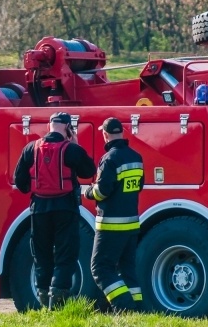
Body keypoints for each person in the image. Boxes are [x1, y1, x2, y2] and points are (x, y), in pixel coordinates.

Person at [14, 112, 96, 309]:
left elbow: (20, 181)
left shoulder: (30, 149)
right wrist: (76, 143)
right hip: (65, 208)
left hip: (39, 209)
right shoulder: (71, 150)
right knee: (65, 254)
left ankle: (43, 298)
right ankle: (57, 302)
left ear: (49, 125)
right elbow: (89, 171)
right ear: (68, 127)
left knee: (41, 254)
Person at [84, 117, 144, 313]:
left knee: (100, 268)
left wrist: (86, 192)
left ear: (105, 134)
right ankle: (137, 308)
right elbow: (139, 186)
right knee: (127, 270)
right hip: (131, 224)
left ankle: (124, 308)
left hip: (111, 225)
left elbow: (102, 191)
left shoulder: (109, 159)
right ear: (122, 133)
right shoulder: (136, 157)